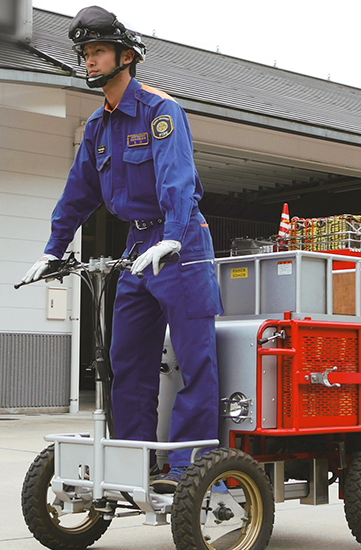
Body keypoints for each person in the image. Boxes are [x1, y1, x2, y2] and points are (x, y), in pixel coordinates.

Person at [19, 6, 222, 494]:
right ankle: (134, 464)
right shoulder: (96, 128)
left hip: (182, 242)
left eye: (97, 51)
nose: (89, 60)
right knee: (126, 359)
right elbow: (77, 193)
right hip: (137, 245)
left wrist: (173, 233)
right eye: (85, 53)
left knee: (196, 360)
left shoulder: (159, 112)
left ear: (125, 56)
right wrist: (54, 248)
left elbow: (177, 178)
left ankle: (185, 471)